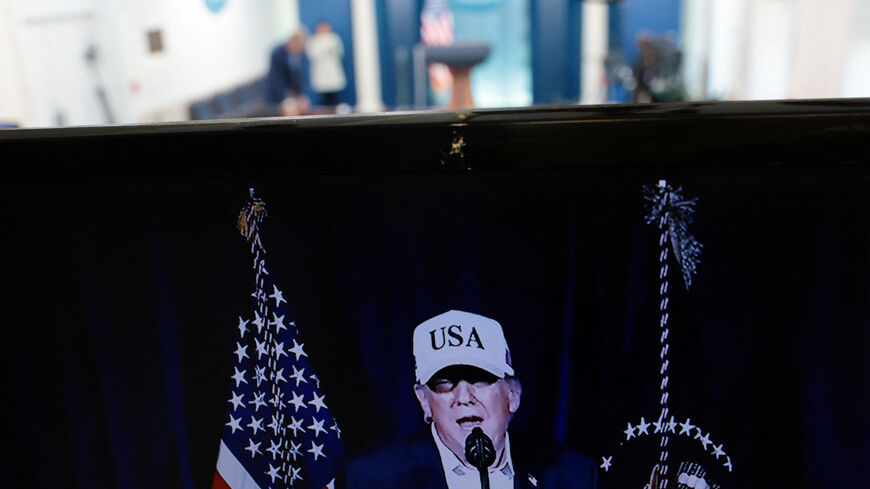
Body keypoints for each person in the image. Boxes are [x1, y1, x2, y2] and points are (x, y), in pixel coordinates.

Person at [343, 310, 598, 489]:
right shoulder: (370, 478)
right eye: (444, 383)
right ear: (424, 401)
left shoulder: (573, 475)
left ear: (513, 395)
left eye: (480, 379)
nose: (463, 398)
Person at [264, 30, 310, 116]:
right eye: (300, 46)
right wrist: (288, 99)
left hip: (293, 95)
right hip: (277, 98)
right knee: (290, 110)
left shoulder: (300, 54)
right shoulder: (277, 53)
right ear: (294, 42)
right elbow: (276, 80)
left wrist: (300, 96)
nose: (301, 50)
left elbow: (299, 78)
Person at [305, 20, 347, 108]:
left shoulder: (334, 38)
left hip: (332, 71)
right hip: (321, 72)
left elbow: (339, 52)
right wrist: (325, 51)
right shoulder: (314, 40)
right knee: (322, 97)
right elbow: (312, 54)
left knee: (334, 96)